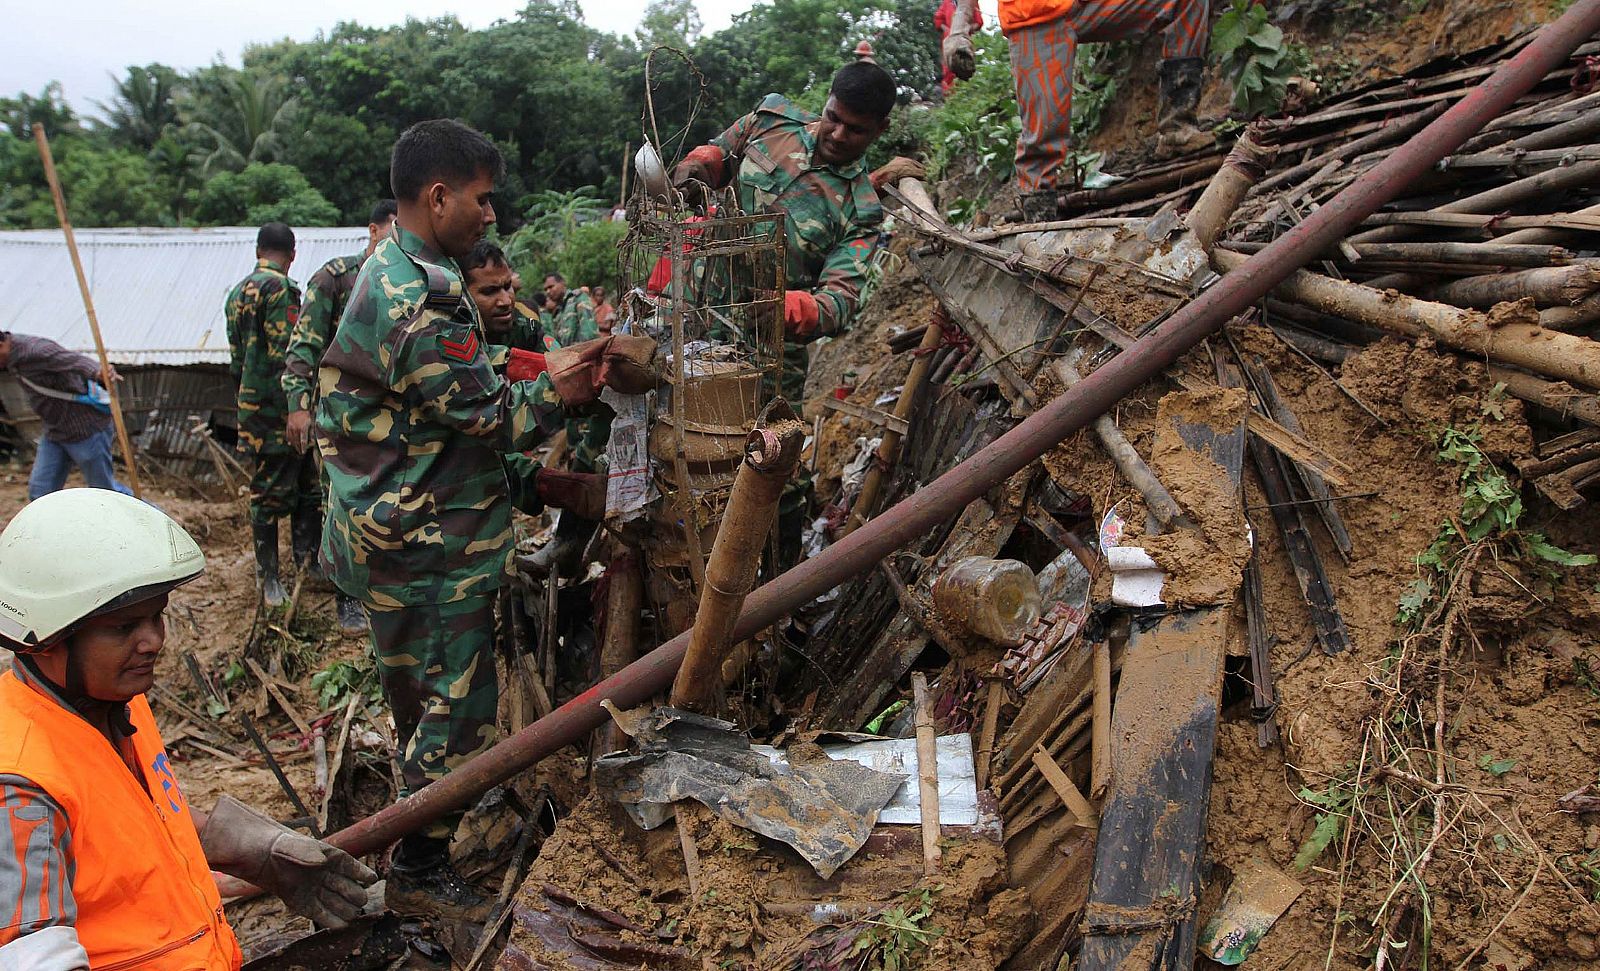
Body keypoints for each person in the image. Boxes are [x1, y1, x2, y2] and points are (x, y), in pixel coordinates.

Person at [315, 119, 657, 920]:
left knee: (420, 698)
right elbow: (494, 418)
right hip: (428, 546)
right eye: (482, 197)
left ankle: (412, 827)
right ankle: (419, 871)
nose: (491, 214)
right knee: (460, 719)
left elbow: (443, 402)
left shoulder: (399, 265)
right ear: (439, 197)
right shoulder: (420, 297)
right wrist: (566, 385)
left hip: (392, 530)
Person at [0, 489, 376, 970]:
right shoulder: (18, 787)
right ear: (46, 639)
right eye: (124, 628)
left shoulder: (113, 704)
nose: (154, 640)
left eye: (157, 616)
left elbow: (131, 825)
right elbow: (32, 957)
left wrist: (256, 851)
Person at [670, 60, 920, 564]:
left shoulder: (862, 210)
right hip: (691, 311)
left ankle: (782, 588)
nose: (838, 133)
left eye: (856, 130)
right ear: (825, 103)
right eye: (834, 117)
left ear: (880, 130)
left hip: (764, 351)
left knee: (772, 468)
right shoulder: (771, 119)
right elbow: (719, 152)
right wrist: (697, 166)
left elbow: (840, 302)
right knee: (669, 439)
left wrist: (789, 307)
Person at [942, 0, 1212, 218]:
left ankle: (1178, 131)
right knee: (1044, 136)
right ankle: (1040, 229)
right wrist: (958, 29)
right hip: (1034, 16)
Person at [280, 200, 399, 632]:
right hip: (338, 420)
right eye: (393, 229)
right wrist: (297, 405)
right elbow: (303, 346)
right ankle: (346, 598)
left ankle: (379, 589)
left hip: (388, 417)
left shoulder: (405, 280)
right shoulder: (335, 277)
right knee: (341, 503)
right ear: (373, 229)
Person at [225, 222, 314, 607]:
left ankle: (296, 569)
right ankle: (273, 578)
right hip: (279, 407)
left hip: (250, 401)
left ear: (258, 250)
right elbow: (287, 352)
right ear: (292, 255)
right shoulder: (282, 290)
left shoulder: (236, 292)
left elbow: (236, 358)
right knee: (276, 486)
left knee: (294, 482)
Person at [0, 331, 131, 500]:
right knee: (40, 493)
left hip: (85, 430)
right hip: (55, 433)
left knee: (106, 492)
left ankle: (156, 518)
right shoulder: (11, 358)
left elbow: (74, 360)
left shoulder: (36, 350)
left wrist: (99, 371)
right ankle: (51, 526)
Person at [933, 0, 983, 95]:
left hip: (964, 42)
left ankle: (964, 98)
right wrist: (949, 31)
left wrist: (966, 29)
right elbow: (938, 20)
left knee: (965, 66)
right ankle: (950, 100)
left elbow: (979, 22)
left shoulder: (971, 3)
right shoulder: (947, 2)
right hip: (949, 43)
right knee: (948, 71)